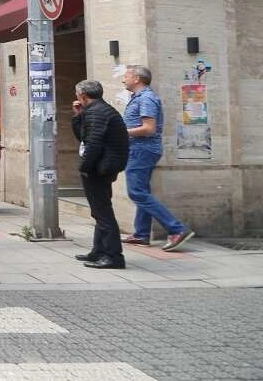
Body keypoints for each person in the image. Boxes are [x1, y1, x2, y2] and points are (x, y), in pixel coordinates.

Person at [121, 65, 195, 251]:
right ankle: (141, 234)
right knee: (142, 191)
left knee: (136, 192)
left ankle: (177, 229)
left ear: (137, 78)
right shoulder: (139, 97)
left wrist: (122, 132)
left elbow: (149, 128)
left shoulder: (146, 98)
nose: (123, 79)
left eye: (126, 75)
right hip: (139, 149)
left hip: (142, 150)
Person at [70, 80, 129, 269]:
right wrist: (78, 116)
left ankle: (113, 256)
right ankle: (99, 251)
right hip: (103, 166)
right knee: (99, 211)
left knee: (103, 213)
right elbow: (84, 137)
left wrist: (84, 167)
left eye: (77, 94)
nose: (76, 97)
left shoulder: (97, 112)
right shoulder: (97, 110)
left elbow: (93, 144)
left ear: (83, 95)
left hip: (99, 168)